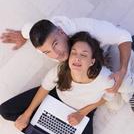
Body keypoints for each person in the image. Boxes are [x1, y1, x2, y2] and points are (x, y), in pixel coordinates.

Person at [14, 32, 115, 134]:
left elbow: (107, 98)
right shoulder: (61, 69)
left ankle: (54, 127)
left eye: (84, 55)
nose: (77, 58)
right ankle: (43, 118)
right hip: (57, 97)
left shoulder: (106, 79)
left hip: (84, 110)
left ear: (92, 61)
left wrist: (81, 114)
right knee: (5, 111)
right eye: (74, 52)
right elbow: (45, 87)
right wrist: (27, 114)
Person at [0, 16, 132, 93]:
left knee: (121, 84)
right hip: (89, 61)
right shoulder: (41, 45)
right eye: (47, 52)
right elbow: (28, 28)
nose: (56, 55)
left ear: (61, 32)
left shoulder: (88, 28)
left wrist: (123, 69)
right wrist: (22, 35)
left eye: (55, 44)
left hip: (107, 49)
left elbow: (123, 36)